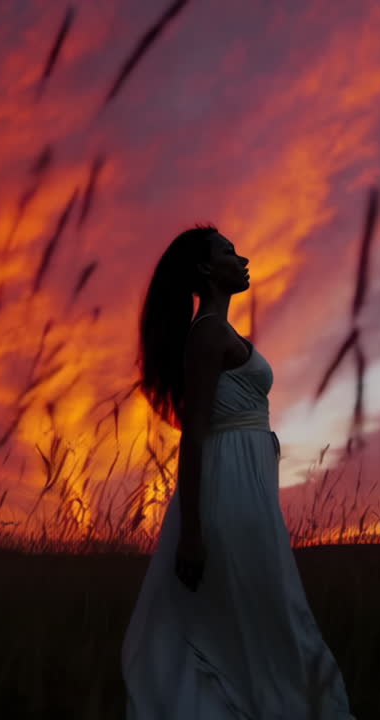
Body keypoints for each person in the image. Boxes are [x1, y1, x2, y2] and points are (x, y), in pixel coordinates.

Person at [124, 224, 356, 718]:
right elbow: (195, 433)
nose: (243, 259)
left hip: (246, 480)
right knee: (264, 607)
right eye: (230, 252)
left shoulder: (219, 331)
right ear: (208, 269)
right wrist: (191, 532)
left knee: (261, 603)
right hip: (227, 485)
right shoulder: (207, 333)